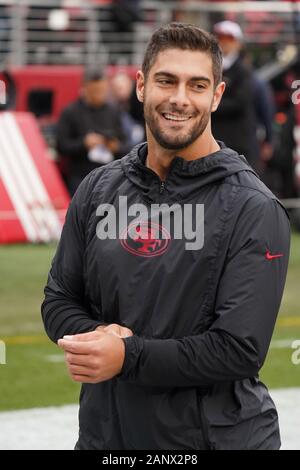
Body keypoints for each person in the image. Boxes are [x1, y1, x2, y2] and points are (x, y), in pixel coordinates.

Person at [42, 22, 290, 450]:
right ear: (141, 86)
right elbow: (59, 299)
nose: (179, 98)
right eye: (165, 81)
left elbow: (238, 350)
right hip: (108, 439)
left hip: (218, 441)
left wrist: (126, 356)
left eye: (196, 85)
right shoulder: (98, 189)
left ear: (216, 95)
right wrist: (100, 334)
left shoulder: (254, 207)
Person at [56, 68, 125, 195]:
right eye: (95, 91)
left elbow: (125, 143)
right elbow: (61, 146)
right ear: (85, 88)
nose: (99, 94)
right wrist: (84, 143)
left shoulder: (114, 111)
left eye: (102, 90)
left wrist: (115, 146)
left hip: (110, 176)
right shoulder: (70, 112)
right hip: (81, 177)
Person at [211, 21, 259, 169]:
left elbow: (240, 102)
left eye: (229, 38)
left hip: (238, 142)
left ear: (238, 43)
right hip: (214, 139)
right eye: (220, 37)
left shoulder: (244, 71)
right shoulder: (209, 66)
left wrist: (208, 104)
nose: (224, 42)